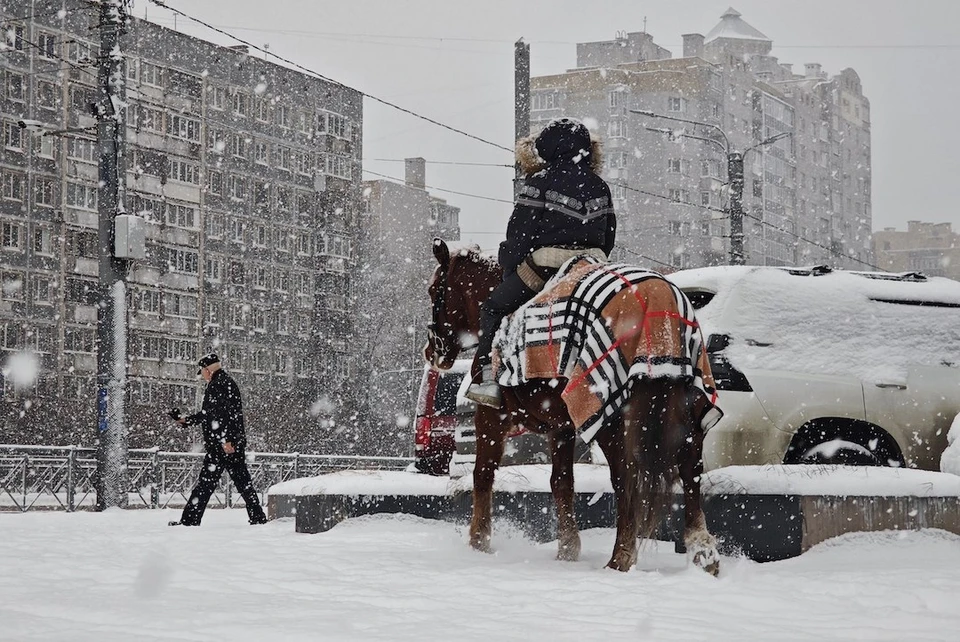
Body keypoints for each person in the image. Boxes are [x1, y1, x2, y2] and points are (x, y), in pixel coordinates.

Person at [465, 117, 617, 408]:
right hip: (593, 268)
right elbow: (608, 236)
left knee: (494, 307)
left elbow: (520, 235)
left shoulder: (539, 182)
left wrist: (509, 267)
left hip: (546, 266)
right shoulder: (600, 186)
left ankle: (487, 382)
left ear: (547, 149)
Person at [167, 353, 268, 526]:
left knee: (206, 484)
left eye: (202, 371)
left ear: (208, 370)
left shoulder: (217, 385)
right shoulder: (225, 382)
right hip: (227, 444)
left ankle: (190, 520)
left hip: (222, 446)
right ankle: (257, 517)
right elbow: (213, 414)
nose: (202, 375)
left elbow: (220, 416)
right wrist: (186, 420)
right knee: (242, 482)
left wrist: (226, 440)